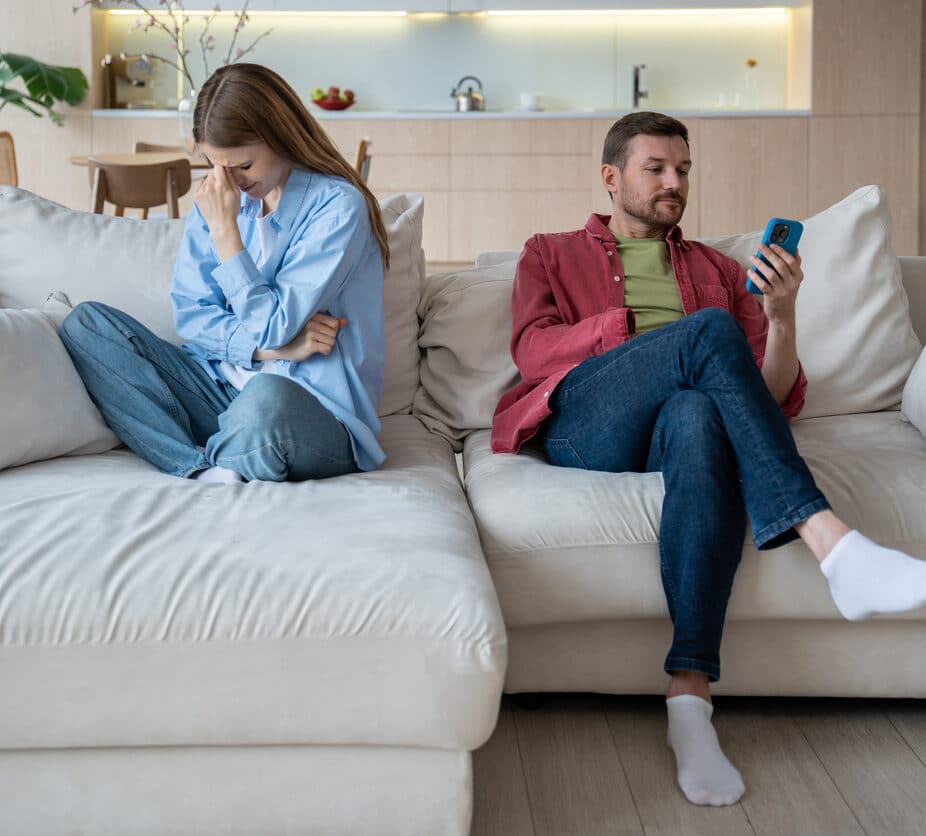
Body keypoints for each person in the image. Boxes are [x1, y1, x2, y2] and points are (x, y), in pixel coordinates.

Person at [491, 111, 926, 807]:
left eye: (683, 170)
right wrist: (638, 336)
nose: (674, 183)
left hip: (677, 428)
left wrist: (782, 316)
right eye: (656, 168)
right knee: (707, 336)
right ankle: (831, 541)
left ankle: (689, 697)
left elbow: (772, 396)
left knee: (698, 410)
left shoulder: (720, 270)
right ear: (612, 177)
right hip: (586, 422)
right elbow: (534, 352)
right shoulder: (548, 251)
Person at [61, 63, 390, 484]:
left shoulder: (337, 207)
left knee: (265, 401)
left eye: (243, 165)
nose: (228, 181)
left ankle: (224, 453)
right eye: (216, 166)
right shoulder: (220, 196)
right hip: (216, 389)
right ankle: (200, 467)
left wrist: (225, 231)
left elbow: (273, 324)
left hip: (308, 408)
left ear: (281, 137)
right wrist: (271, 352)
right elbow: (193, 319)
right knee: (86, 324)